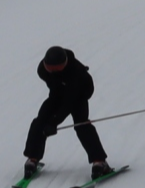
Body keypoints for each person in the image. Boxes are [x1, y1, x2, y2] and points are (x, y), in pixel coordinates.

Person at [23, 46, 113, 178]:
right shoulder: (42, 70)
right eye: (50, 68)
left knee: (81, 125)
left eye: (57, 68)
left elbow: (70, 102)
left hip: (79, 94)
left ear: (64, 63)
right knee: (39, 121)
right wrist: (50, 121)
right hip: (58, 93)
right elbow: (56, 90)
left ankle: (99, 161)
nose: (53, 71)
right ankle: (33, 158)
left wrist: (54, 122)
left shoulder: (76, 72)